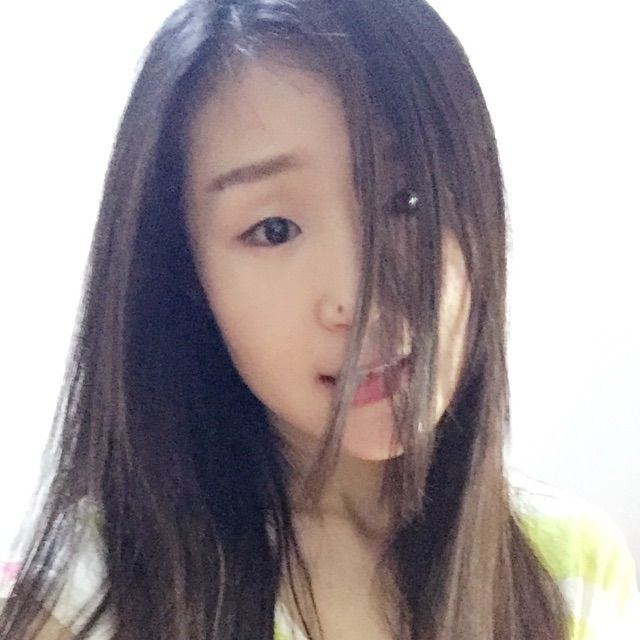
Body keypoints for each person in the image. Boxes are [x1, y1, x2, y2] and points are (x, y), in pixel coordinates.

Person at [0, 1, 638, 639]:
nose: (361, 298)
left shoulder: (572, 573)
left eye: (409, 199)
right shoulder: (91, 593)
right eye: (274, 229)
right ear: (187, 276)